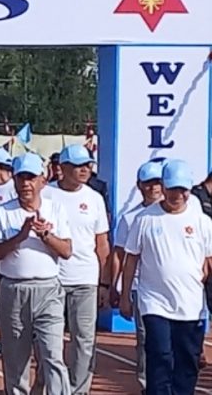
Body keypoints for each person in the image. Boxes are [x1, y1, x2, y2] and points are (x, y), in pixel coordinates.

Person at [120, 159, 212, 395]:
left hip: (190, 304)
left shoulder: (202, 221)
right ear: (164, 187)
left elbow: (209, 260)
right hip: (155, 302)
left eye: (183, 189)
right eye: (173, 188)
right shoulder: (144, 219)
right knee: (160, 355)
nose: (178, 194)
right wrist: (124, 296)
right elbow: (131, 258)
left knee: (187, 361)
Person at [0, 153, 73, 395]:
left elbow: (66, 251)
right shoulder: (3, 212)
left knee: (53, 355)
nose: (25, 183)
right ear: (14, 180)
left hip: (48, 290)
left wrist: (46, 236)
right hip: (13, 290)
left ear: (42, 181)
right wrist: (21, 236)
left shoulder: (55, 209)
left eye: (31, 178)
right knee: (15, 360)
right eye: (21, 177)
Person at [41, 144, 110, 395]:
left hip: (86, 279)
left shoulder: (94, 198)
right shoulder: (46, 194)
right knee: (50, 342)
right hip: (52, 278)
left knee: (84, 340)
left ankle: (79, 390)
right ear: (63, 168)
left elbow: (102, 243)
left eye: (88, 165)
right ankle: (50, 387)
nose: (85, 170)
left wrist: (105, 283)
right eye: (79, 165)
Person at [108, 159, 164, 392]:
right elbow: (119, 254)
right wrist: (115, 287)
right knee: (145, 338)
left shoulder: (183, 212)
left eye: (157, 183)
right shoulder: (130, 218)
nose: (153, 188)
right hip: (142, 287)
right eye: (148, 184)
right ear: (139, 186)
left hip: (172, 287)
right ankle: (147, 383)